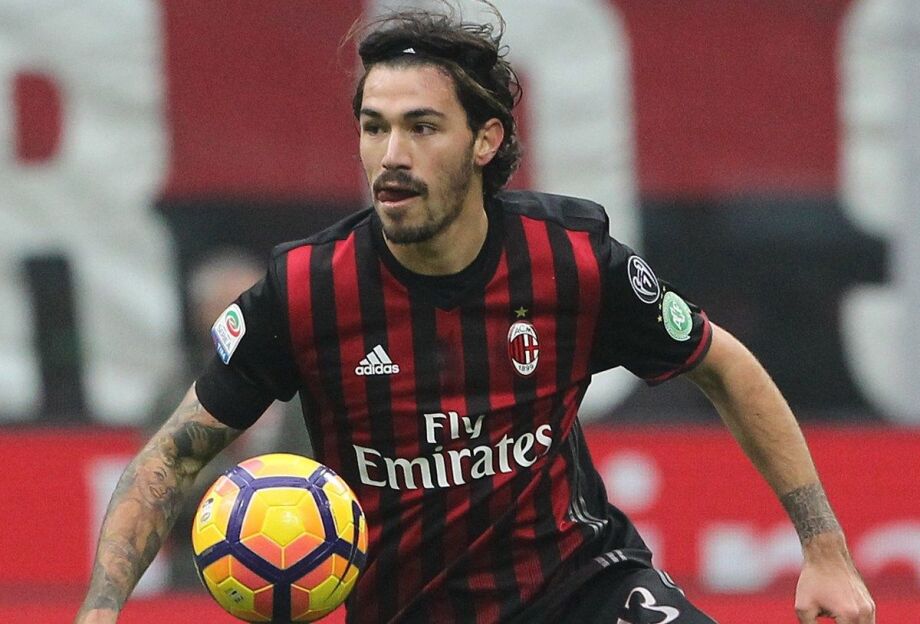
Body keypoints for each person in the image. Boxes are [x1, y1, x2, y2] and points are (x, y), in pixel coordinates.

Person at [75, 4, 875, 623]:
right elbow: (170, 457)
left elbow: (723, 365)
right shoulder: (307, 290)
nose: (392, 155)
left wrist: (825, 549)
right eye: (374, 127)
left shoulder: (572, 259)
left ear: (485, 139)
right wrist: (101, 610)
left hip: (586, 589)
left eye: (421, 127)